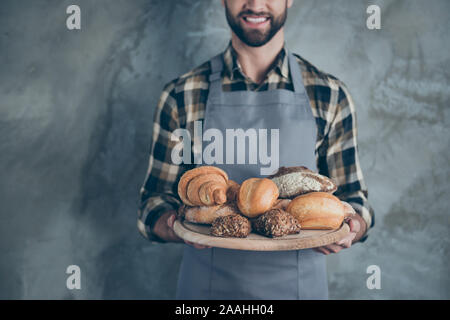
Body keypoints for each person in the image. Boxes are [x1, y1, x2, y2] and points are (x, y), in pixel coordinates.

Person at [137, 0, 374, 299]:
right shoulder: (182, 95)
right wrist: (177, 226)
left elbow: (354, 199)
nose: (255, 3)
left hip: (299, 290)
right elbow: (152, 202)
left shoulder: (329, 95)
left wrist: (351, 227)